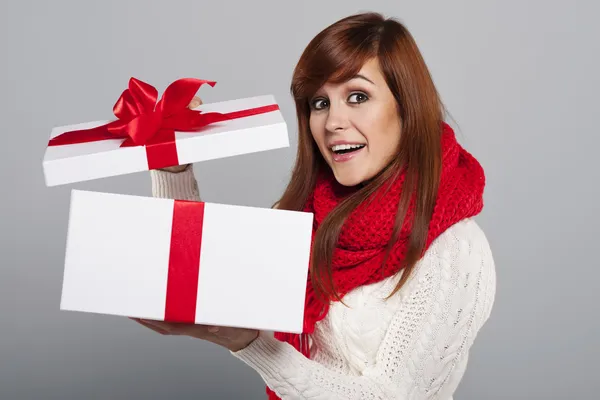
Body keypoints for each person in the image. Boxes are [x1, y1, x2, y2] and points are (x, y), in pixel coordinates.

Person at [133, 11, 496, 400]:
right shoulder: (301, 218)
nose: (333, 121)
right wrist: (172, 166)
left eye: (358, 96)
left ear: (406, 108)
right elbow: (199, 279)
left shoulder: (455, 250)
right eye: (319, 102)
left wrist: (250, 344)